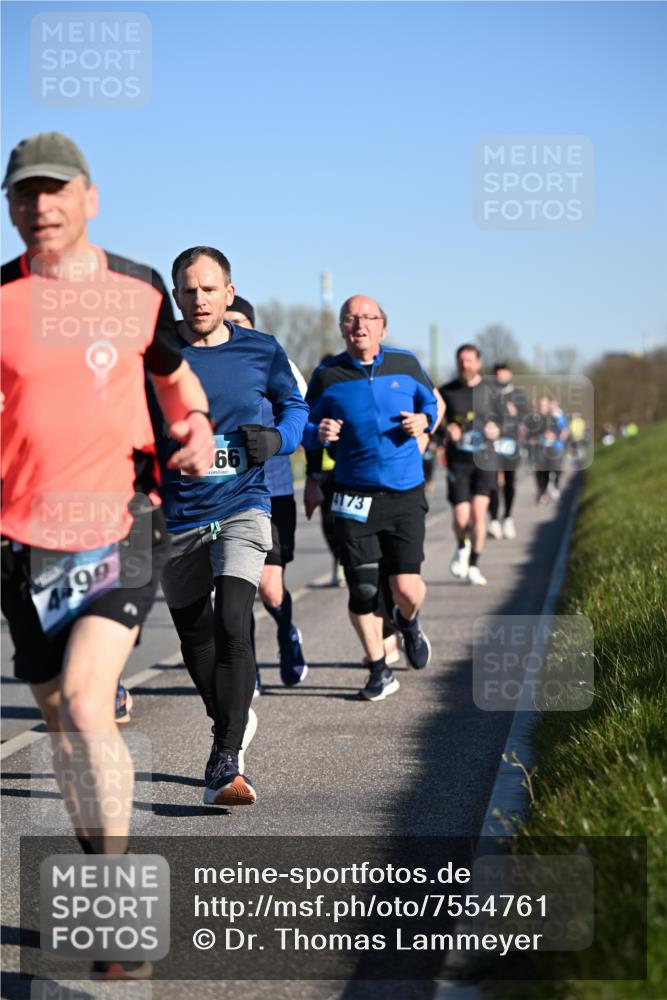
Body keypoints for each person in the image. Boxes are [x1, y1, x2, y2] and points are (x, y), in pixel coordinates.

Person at [1, 133, 214, 980]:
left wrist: (194, 427)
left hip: (119, 523)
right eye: (23, 196)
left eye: (55, 191)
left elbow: (176, 382)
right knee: (61, 725)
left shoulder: (136, 293)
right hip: (21, 543)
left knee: (91, 704)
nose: (40, 208)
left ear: (89, 197)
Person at [151, 247, 308, 806]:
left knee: (234, 619)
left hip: (244, 503)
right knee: (194, 634)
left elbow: (296, 408)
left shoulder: (261, 349)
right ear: (175, 296)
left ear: (228, 291)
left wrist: (278, 441)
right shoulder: (154, 353)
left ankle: (224, 759)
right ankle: (230, 719)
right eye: (188, 291)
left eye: (209, 289)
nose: (199, 299)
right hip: (176, 513)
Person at [303, 295, 439, 701]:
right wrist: (317, 439)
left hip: (404, 493)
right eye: (350, 318)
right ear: (342, 327)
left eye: (368, 318)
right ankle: (379, 669)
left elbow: (430, 405)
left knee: (408, 589)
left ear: (383, 325)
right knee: (361, 588)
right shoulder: (328, 374)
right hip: (351, 494)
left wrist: (424, 421)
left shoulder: (406, 363)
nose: (358, 324)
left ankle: (407, 623)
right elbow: (303, 425)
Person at [224, 295, 308, 693]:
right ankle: (248, 668)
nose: (233, 327)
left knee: (270, 588)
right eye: (228, 321)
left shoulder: (275, 361)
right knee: (234, 590)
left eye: (240, 320)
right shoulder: (206, 361)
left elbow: (298, 413)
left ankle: (288, 632)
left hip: (272, 490)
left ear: (253, 325)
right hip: (223, 494)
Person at [439, 345, 503, 586]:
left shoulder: (492, 391)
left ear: (478, 363)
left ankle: (474, 564)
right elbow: (434, 422)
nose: (464, 364)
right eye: (461, 361)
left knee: (478, 514)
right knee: (460, 518)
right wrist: (448, 430)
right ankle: (461, 546)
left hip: (485, 461)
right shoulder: (447, 391)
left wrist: (496, 430)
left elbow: (509, 422)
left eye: (469, 360)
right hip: (458, 463)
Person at [487, 362, 529, 540]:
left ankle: (508, 517)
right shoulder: (489, 394)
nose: (500, 376)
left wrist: (516, 414)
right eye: (497, 373)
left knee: (510, 482)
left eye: (504, 373)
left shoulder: (518, 395)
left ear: (510, 374)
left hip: (511, 444)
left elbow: (527, 418)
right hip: (492, 443)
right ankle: (494, 519)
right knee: (492, 482)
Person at [525, 395, 568, 503]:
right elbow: (528, 434)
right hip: (538, 450)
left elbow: (560, 431)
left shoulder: (553, 418)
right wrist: (536, 437)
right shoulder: (533, 419)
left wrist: (553, 435)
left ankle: (552, 488)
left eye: (545, 405)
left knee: (554, 470)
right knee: (540, 472)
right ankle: (542, 492)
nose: (543, 407)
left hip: (553, 449)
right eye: (541, 405)